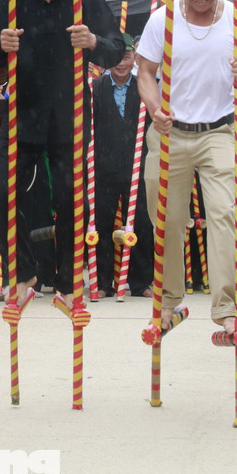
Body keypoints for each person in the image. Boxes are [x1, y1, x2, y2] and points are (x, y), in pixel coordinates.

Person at [0, 0, 123, 304]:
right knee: (0, 195)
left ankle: (66, 278)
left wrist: (92, 41)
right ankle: (24, 270)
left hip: (70, 115)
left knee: (70, 199)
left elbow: (115, 48)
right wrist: (1, 45)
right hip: (20, 111)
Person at [135, 0, 237, 334]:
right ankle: (168, 300)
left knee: (224, 215)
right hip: (170, 131)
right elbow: (145, 72)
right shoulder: (163, 19)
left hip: (220, 131)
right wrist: (155, 109)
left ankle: (225, 306)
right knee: (167, 218)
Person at [91, 35, 152, 298]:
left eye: (126, 56)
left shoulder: (145, 87)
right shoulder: (95, 88)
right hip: (102, 169)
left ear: (135, 59)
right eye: (116, 57)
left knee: (140, 224)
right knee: (101, 226)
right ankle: (104, 282)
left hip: (136, 167)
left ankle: (140, 283)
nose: (121, 62)